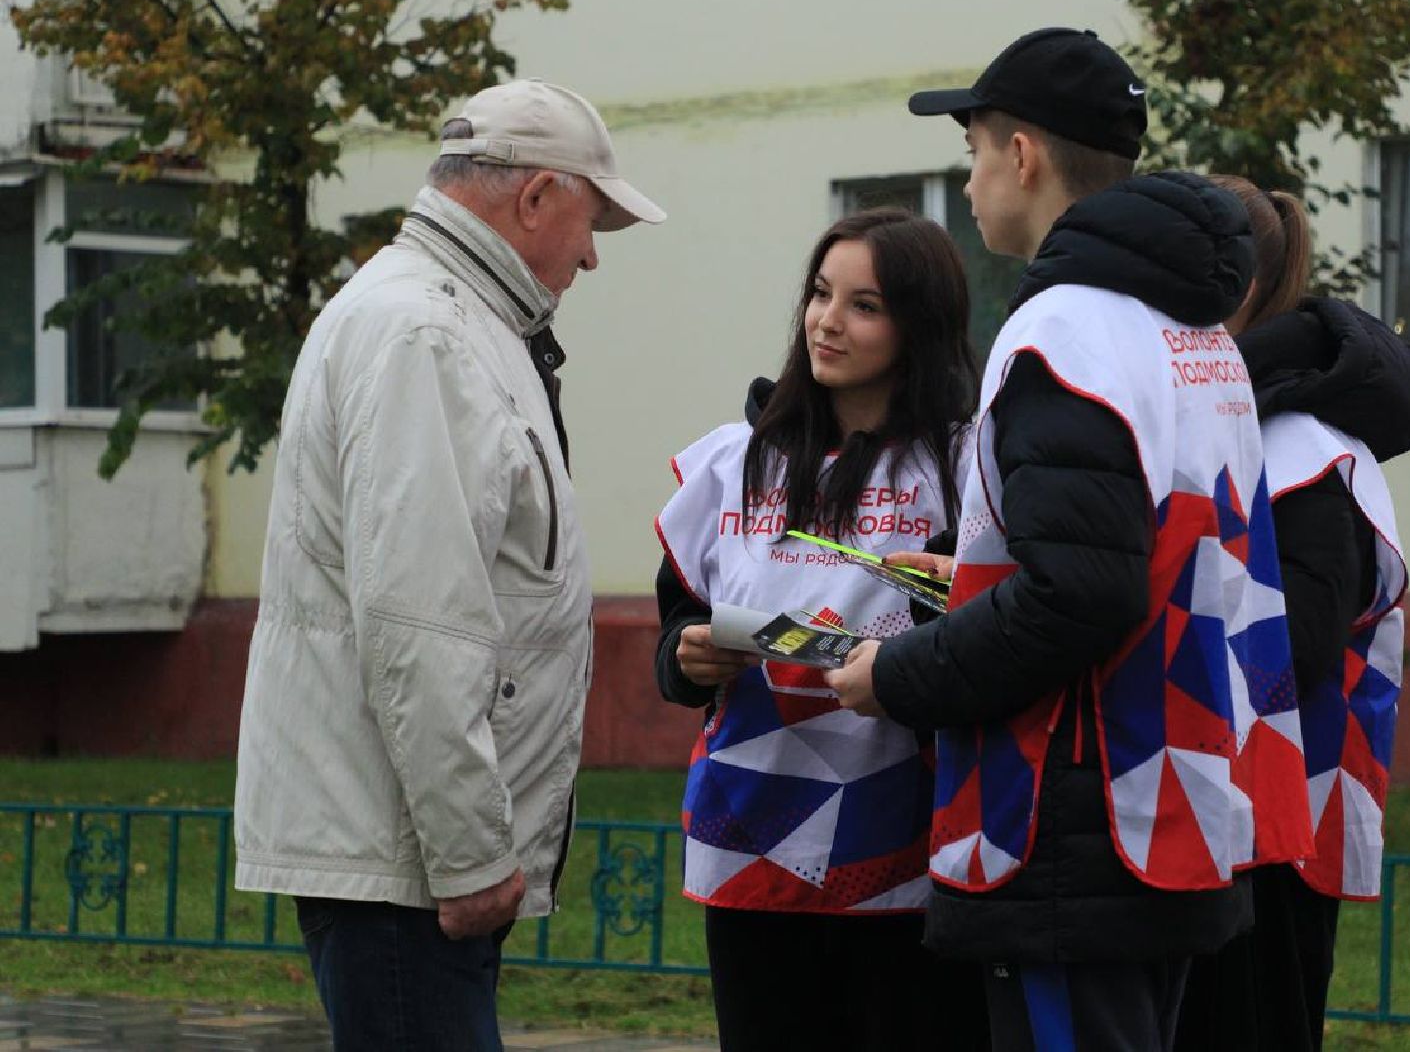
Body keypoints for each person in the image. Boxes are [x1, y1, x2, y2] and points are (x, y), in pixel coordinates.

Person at [826, 28, 1315, 1051]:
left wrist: (902, 673)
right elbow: (1144, 555)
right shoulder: (1192, 332)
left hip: (1074, 828)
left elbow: (1080, 598)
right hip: (1171, 805)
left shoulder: (1065, 330)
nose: (964, 186)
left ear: (1022, 156)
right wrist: (978, 577)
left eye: (969, 154)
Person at [232, 80, 664, 1050]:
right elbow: (421, 625)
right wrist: (472, 856)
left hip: (406, 854)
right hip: (410, 867)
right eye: (591, 221)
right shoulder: (426, 334)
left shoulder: (454, 322)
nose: (591, 254)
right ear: (538, 197)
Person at [653, 208, 990, 1051]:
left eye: (863, 304)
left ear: (920, 325)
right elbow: (677, 625)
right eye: (818, 292)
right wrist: (688, 659)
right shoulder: (736, 460)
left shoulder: (965, 465)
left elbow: (988, 634)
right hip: (749, 835)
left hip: (907, 844)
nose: (825, 321)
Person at [1174, 177, 1410, 1052]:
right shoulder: (1221, 425)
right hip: (1203, 811)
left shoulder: (1304, 452)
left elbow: (1296, 649)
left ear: (1230, 288)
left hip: (1275, 830)